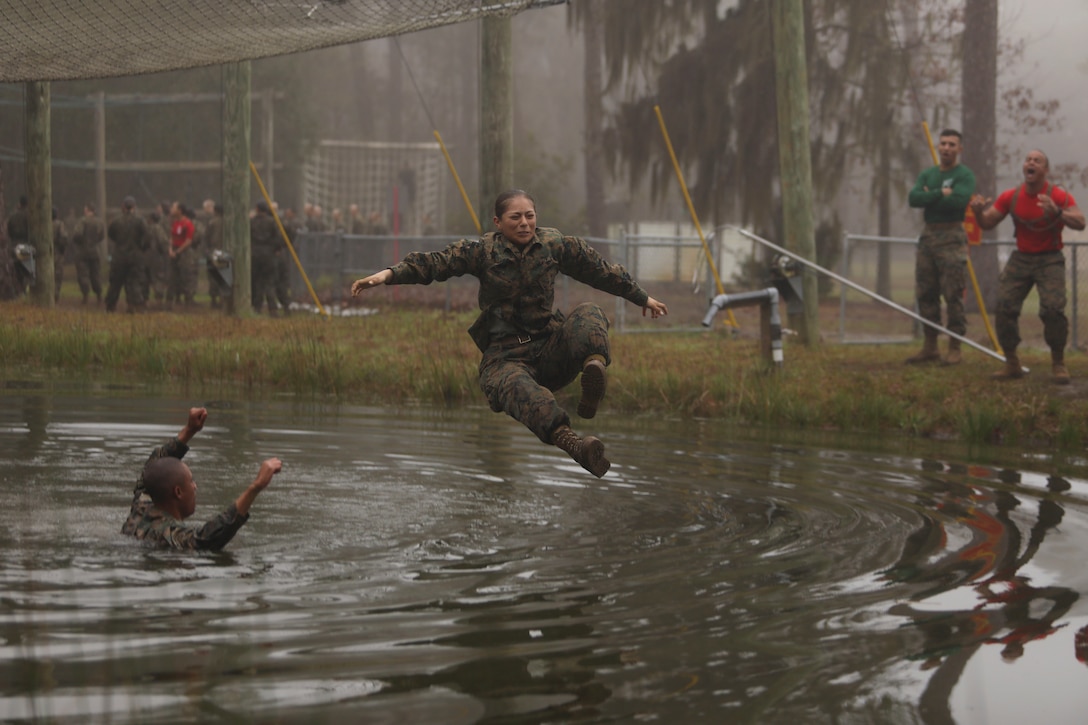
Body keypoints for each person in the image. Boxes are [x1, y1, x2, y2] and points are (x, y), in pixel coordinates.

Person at [351, 189, 669, 477]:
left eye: (529, 216)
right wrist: (387, 275)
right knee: (519, 389)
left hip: (550, 348)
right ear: (498, 222)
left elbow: (600, 271)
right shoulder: (482, 252)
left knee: (589, 312)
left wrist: (643, 298)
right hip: (505, 357)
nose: (524, 223)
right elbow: (436, 264)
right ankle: (577, 446)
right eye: (515, 217)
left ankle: (592, 374)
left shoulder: (555, 245)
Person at [970, 149, 1086, 384]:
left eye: (1037, 161)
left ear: (1045, 170)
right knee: (1003, 306)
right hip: (1022, 258)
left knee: (1052, 310)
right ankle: (1012, 363)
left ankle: (1058, 363)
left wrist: (1058, 211)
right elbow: (988, 222)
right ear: (1024, 168)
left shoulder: (1058, 195)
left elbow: (1081, 222)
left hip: (1050, 258)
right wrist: (977, 213)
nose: (1031, 163)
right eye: (1028, 160)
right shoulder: (1011, 196)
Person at [122, 407, 282, 550]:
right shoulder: (168, 535)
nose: (195, 486)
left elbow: (153, 469)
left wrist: (190, 430)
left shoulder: (139, 510)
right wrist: (255, 487)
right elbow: (206, 539)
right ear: (178, 492)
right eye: (191, 481)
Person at [906, 129, 976, 365]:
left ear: (960, 149)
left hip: (952, 236)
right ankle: (930, 346)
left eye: (952, 144)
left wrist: (932, 197)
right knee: (926, 292)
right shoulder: (929, 174)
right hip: (929, 237)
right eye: (943, 143)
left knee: (952, 293)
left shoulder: (964, 175)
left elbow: (958, 201)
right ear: (938, 146)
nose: (946, 148)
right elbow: (914, 199)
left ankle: (954, 346)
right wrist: (940, 192)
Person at [104, 195, 149, 313]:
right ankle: (133, 305)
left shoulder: (116, 221)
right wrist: (141, 248)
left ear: (123, 207)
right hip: (135, 257)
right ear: (134, 207)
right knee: (134, 282)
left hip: (119, 256)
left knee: (115, 283)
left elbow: (111, 235)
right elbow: (147, 238)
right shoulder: (140, 221)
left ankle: (111, 306)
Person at [250, 200, 281, 315]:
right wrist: (276, 250)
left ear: (257, 209)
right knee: (269, 282)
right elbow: (278, 238)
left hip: (255, 254)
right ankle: (273, 308)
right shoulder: (271, 222)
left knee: (257, 282)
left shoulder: (252, 222)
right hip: (268, 254)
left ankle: (257, 307)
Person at [72, 203, 105, 305]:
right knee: (96, 274)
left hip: (83, 251)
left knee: (83, 274)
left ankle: (86, 295)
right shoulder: (100, 222)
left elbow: (77, 234)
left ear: (87, 210)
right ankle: (99, 295)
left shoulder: (82, 221)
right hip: (95, 251)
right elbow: (102, 236)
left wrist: (80, 242)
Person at [167, 201, 197, 308]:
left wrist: (178, 251)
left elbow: (188, 240)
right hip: (174, 250)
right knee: (173, 276)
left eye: (174, 208)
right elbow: (172, 237)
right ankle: (173, 299)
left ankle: (188, 301)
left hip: (184, 252)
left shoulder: (187, 224)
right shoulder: (174, 223)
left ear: (180, 210)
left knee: (185, 276)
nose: (171, 209)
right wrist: (170, 249)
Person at [51, 207, 68, 303]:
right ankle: (55, 295)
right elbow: (64, 238)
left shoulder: (43, 224)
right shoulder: (59, 224)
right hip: (57, 253)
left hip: (45, 254)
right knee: (58, 275)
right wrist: (62, 250)